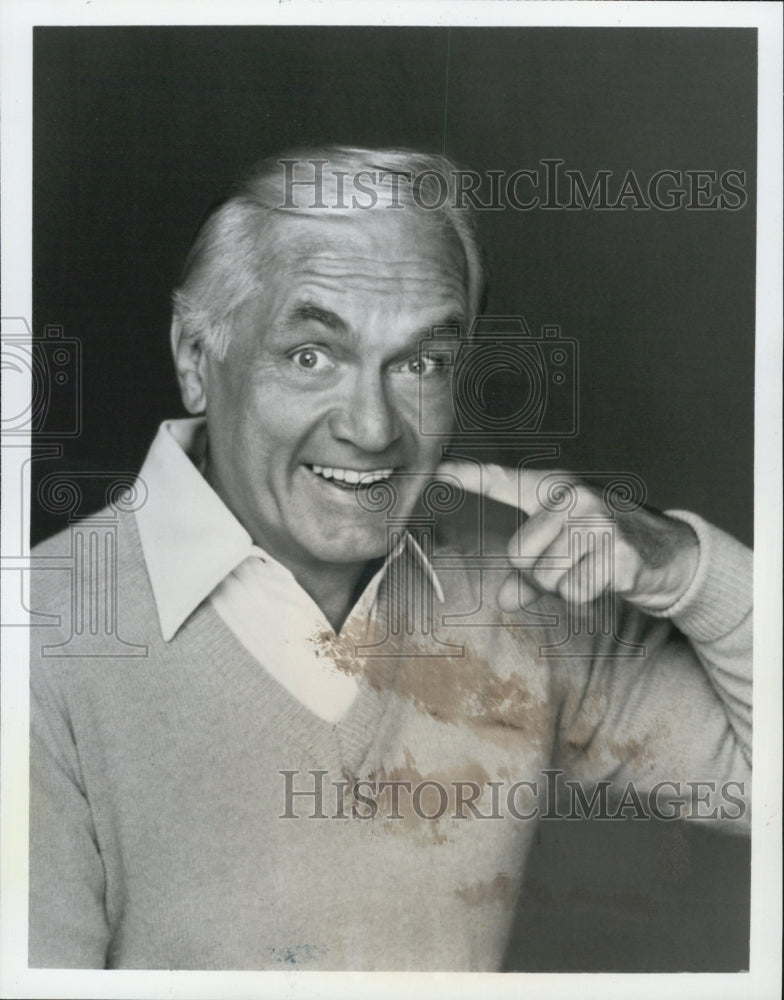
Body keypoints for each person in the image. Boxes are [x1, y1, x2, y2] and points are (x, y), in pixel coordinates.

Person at [29, 146, 752, 971]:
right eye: (312, 356)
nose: (372, 429)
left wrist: (684, 566)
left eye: (419, 363)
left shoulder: (518, 590)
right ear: (197, 359)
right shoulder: (41, 645)